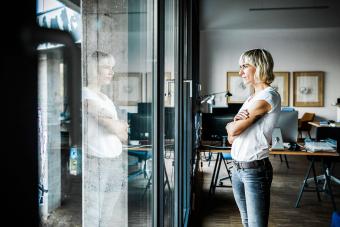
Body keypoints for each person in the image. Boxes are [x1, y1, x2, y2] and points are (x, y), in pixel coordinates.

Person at [226, 49, 281, 227]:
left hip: (254, 171)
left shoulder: (268, 96)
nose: (240, 72)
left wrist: (231, 127)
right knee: (246, 221)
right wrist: (231, 128)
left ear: (259, 67)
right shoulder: (252, 98)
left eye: (244, 66)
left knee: (256, 225)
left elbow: (235, 128)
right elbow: (231, 136)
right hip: (237, 169)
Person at [83, 51, 128, 226]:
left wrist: (115, 125)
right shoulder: (85, 94)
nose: (111, 72)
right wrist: (116, 125)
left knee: (108, 214)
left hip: (115, 161)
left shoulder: (106, 99)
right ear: (94, 70)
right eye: (106, 67)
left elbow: (124, 135)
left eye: (112, 68)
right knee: (94, 214)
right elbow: (114, 127)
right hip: (97, 163)